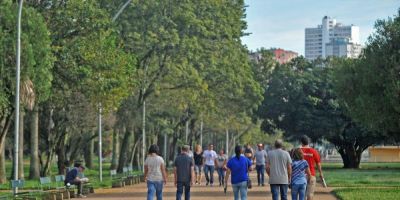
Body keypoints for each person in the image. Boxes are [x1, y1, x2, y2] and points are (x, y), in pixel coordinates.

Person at [300, 135, 324, 200]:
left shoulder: (298, 151)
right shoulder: (314, 151)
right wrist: (321, 173)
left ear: (301, 142)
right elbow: (318, 164)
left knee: (302, 194)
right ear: (309, 143)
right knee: (310, 194)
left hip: (300, 176)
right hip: (311, 175)